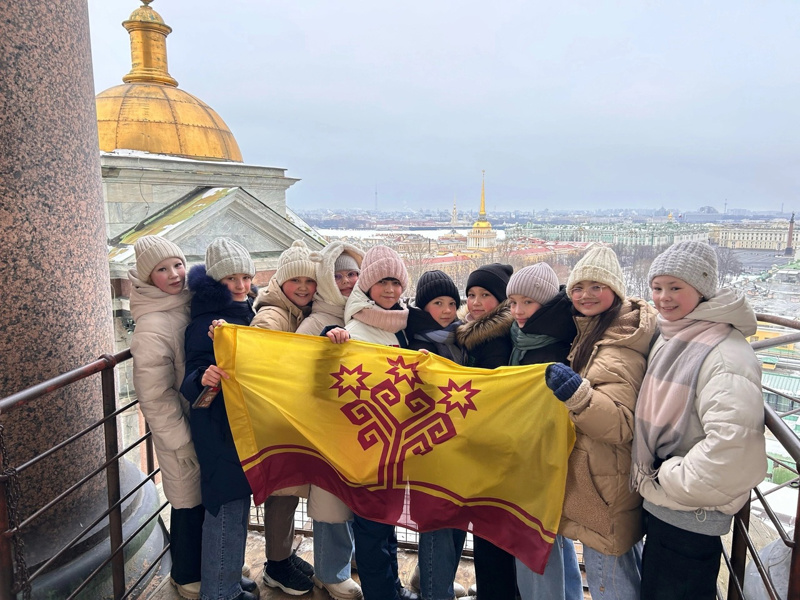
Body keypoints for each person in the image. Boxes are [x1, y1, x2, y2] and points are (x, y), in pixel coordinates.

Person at [632, 241, 767, 599]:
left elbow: (734, 451)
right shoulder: (677, 333)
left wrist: (666, 476)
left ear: (702, 289)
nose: (663, 298)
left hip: (690, 514)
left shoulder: (722, 353)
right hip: (670, 509)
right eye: (657, 287)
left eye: (676, 287)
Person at [543, 245, 657, 599]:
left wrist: (578, 396)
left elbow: (622, 424)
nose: (585, 295)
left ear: (615, 291)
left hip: (605, 483)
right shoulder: (602, 332)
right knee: (616, 568)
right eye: (578, 287)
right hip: (602, 477)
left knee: (608, 579)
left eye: (596, 287)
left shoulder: (617, 347)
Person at [325, 245, 418, 600]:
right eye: (382, 282)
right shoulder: (355, 329)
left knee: (385, 523)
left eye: (396, 281)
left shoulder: (403, 323)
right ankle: (382, 594)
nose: (391, 290)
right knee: (372, 527)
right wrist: (329, 343)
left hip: (395, 441)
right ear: (367, 286)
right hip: (369, 442)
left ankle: (390, 588)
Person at [180, 237, 260, 600]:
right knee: (226, 507)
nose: (241, 285)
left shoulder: (244, 312)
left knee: (236, 504)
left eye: (245, 276)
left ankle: (226, 579)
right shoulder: (206, 323)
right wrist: (204, 377)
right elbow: (191, 378)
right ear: (216, 282)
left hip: (236, 425)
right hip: (219, 427)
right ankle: (220, 592)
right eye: (231, 279)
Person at [129, 236, 204, 600]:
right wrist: (181, 440)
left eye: (177, 264)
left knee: (205, 497)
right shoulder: (151, 326)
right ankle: (186, 574)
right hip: (180, 431)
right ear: (148, 277)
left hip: (202, 422)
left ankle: (211, 562)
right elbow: (154, 395)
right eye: (162, 269)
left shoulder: (187, 303)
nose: (174, 274)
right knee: (187, 501)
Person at [503, 263, 582, 600]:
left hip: (542, 455)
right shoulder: (528, 335)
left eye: (528, 303)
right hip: (531, 450)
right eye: (513, 303)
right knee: (553, 535)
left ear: (546, 304)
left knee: (534, 537)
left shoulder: (552, 344)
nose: (518, 312)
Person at [295, 241, 365, 600]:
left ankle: (344, 561)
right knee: (329, 500)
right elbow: (295, 375)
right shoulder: (315, 323)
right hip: (327, 428)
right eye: (338, 275)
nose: (348, 281)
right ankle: (329, 572)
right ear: (325, 280)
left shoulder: (363, 315)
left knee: (350, 496)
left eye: (353, 273)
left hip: (359, 426)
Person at [250, 240, 319, 596]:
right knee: (282, 493)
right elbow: (261, 364)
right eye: (296, 281)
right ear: (280, 283)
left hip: (288, 418)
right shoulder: (273, 316)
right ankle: (276, 565)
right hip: (277, 420)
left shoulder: (296, 312)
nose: (304, 287)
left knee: (289, 492)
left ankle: (283, 555)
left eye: (310, 280)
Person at [406, 270, 468, 600]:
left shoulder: (461, 337)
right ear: (422, 306)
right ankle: (434, 591)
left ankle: (436, 582)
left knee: (457, 520)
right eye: (437, 303)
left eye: (451, 303)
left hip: (461, 446)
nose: (447, 310)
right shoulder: (416, 344)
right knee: (436, 524)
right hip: (431, 447)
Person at [455, 264, 516, 600]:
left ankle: (497, 591)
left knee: (490, 525)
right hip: (487, 443)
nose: (476, 302)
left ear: (502, 299)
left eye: (485, 295)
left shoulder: (492, 339)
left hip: (490, 445)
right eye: (472, 295)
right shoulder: (476, 331)